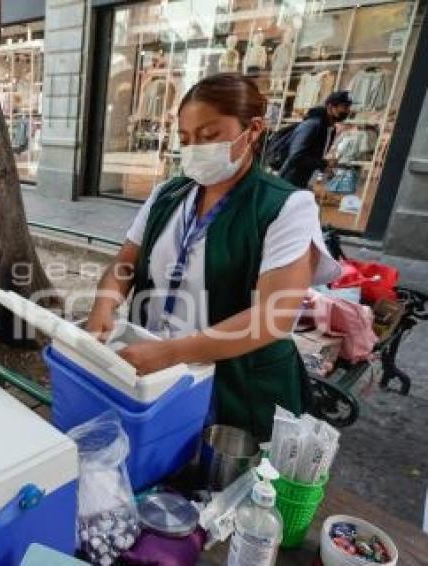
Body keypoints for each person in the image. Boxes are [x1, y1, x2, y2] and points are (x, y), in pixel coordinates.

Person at [86, 74, 341, 440]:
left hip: (236, 386)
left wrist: (174, 352)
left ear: (252, 130)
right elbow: (125, 264)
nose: (195, 149)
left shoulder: (284, 206)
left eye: (209, 137)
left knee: (212, 478)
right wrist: (103, 307)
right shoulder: (168, 195)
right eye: (186, 140)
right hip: (158, 375)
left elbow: (275, 316)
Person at [278, 90, 352, 189]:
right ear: (330, 107)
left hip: (304, 181)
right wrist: (324, 164)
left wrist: (324, 166)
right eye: (344, 107)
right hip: (290, 181)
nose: (347, 111)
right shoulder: (312, 125)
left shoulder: (329, 129)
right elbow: (296, 157)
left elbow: (313, 155)